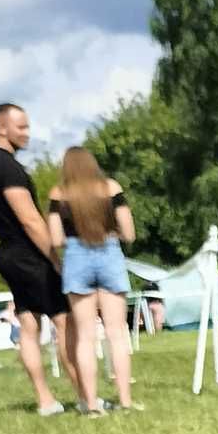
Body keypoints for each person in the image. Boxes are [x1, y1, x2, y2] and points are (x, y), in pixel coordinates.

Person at [0, 103, 70, 416]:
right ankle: (86, 395)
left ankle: (45, 400)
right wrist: (54, 258)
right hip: (28, 254)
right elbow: (31, 220)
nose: (27, 133)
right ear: (2, 127)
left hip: (8, 254)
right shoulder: (8, 169)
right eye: (21, 127)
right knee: (64, 322)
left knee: (29, 326)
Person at [46, 145, 133, 414]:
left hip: (76, 257)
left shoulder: (58, 194)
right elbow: (129, 232)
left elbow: (56, 239)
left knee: (85, 337)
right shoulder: (111, 187)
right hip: (109, 254)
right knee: (116, 334)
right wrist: (112, 235)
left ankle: (92, 405)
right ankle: (125, 401)